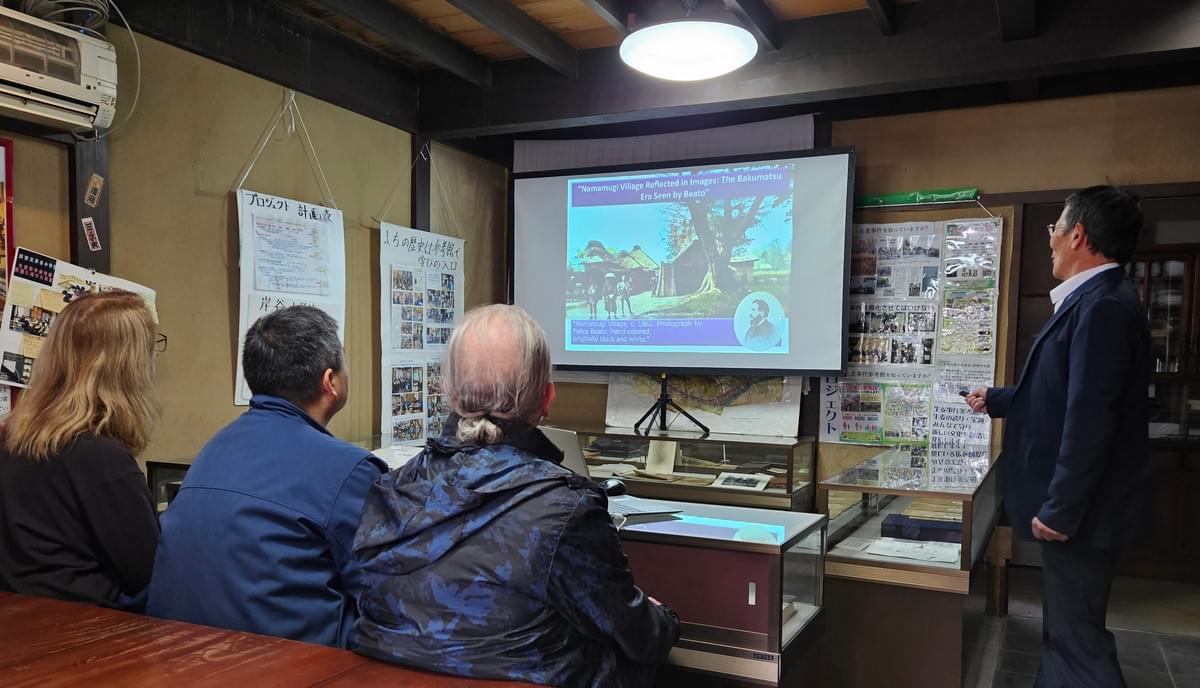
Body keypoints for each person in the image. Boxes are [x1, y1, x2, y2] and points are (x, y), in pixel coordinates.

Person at [354, 304, 679, 687]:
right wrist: (664, 621)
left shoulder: (390, 489)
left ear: (448, 392)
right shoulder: (567, 509)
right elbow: (640, 637)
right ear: (547, 398)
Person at [964, 186, 1151, 688]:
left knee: (1077, 644)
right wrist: (1000, 399)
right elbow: (1064, 394)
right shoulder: (1095, 300)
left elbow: (1091, 420)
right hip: (1081, 514)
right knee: (1066, 637)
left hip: (1082, 517)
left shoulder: (1104, 307)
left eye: (1054, 229)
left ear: (1078, 235)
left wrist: (1061, 508)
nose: (1050, 241)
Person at [147, 306, 385, 648]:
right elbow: (384, 590)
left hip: (182, 657)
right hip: (288, 665)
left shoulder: (216, 446)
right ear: (330, 381)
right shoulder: (351, 470)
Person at [0, 291, 160, 609]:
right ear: (125, 366)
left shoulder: (12, 438)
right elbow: (149, 569)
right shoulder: (100, 458)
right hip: (90, 629)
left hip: (20, 625)